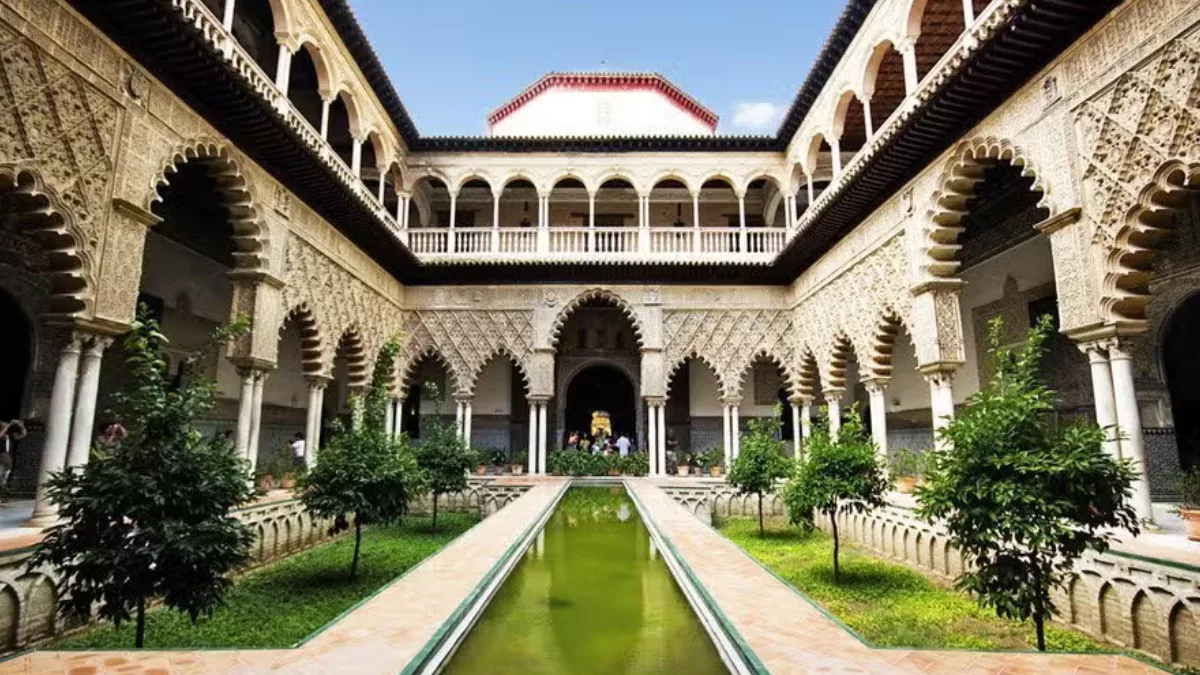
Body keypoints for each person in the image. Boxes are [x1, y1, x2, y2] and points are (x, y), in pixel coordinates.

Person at [0, 419, 25, 498]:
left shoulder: (9, 435)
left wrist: (21, 426)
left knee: (6, 470)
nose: (5, 425)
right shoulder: (2, 434)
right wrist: (10, 424)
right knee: (6, 467)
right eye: (3, 424)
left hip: (7, 455)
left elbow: (23, 434)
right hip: (2, 454)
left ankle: (3, 486)